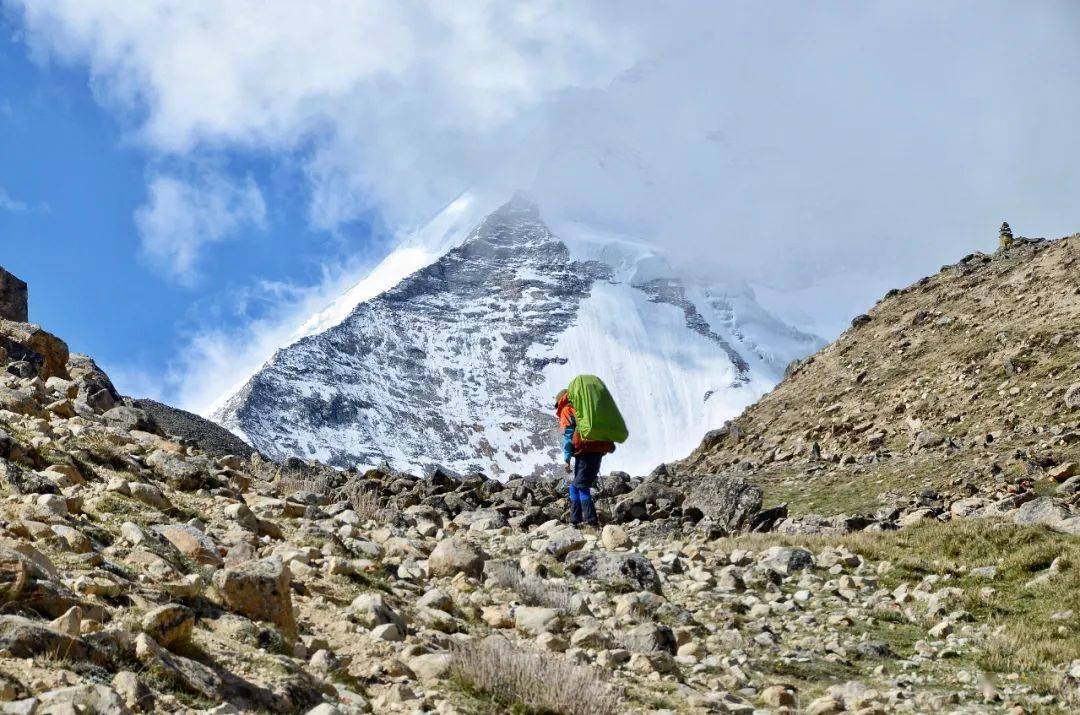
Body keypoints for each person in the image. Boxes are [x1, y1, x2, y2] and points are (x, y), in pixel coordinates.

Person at [555, 389, 611, 527]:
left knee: (579, 486)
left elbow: (568, 437)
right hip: (593, 451)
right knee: (577, 487)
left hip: (585, 453)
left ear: (560, 401)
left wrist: (567, 460)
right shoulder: (583, 408)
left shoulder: (566, 410)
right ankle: (576, 520)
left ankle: (591, 522)